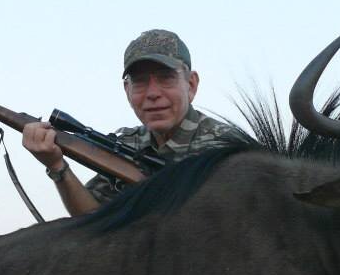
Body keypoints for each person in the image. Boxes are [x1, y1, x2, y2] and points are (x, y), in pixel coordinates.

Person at [22, 29, 247, 216]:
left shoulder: (230, 148)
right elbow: (92, 221)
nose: (152, 93)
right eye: (139, 82)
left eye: (165, 78)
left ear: (191, 84)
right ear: (127, 90)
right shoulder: (126, 145)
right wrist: (57, 167)